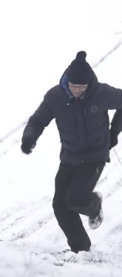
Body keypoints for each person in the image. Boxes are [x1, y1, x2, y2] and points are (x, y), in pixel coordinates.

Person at [21, 51, 122, 254]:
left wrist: (114, 132)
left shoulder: (101, 93)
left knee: (76, 198)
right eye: (73, 86)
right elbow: (38, 120)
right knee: (60, 205)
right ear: (67, 81)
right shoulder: (55, 97)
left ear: (89, 84)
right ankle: (81, 250)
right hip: (70, 155)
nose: (77, 90)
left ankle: (94, 205)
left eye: (81, 87)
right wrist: (29, 137)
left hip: (95, 155)